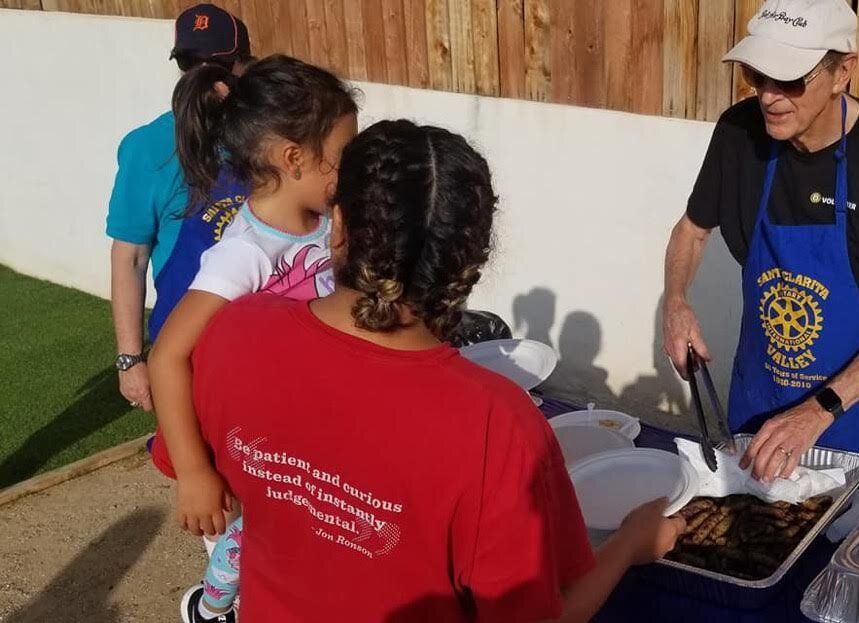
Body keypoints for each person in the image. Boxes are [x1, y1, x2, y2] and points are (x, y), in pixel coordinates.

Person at [182, 119, 685, 621]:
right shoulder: (497, 423)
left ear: (337, 225)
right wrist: (628, 545)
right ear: (470, 261)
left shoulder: (235, 331)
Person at [662, 0, 859, 489]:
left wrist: (820, 410)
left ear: (843, 72)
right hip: (762, 406)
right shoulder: (738, 135)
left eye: (790, 80)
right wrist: (676, 302)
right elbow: (691, 229)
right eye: (757, 76)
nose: (769, 97)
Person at [147, 55, 359, 623]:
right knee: (237, 556)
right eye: (344, 159)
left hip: (301, 430)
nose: (353, 174)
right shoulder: (244, 253)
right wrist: (194, 473)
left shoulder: (326, 220)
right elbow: (167, 355)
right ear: (293, 159)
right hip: (243, 450)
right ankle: (211, 607)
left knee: (289, 552)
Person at [107, 3, 252, 412]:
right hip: (189, 347)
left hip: (267, 338)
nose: (204, 77)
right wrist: (130, 360)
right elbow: (130, 256)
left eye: (219, 65)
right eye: (192, 63)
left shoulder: (269, 136)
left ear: (245, 65)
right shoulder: (147, 147)